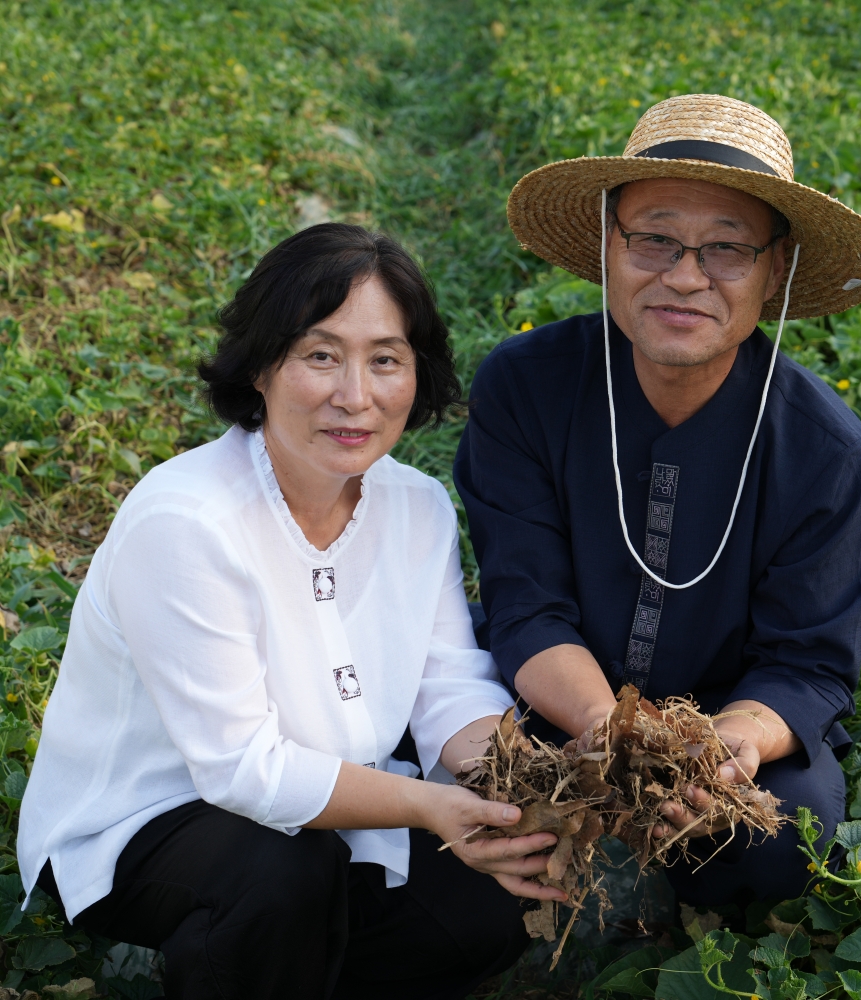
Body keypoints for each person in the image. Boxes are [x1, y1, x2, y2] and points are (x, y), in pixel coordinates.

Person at [18, 224, 568, 1000]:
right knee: (283, 873)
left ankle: (293, 964)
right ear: (261, 367)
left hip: (339, 802)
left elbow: (448, 684)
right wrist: (426, 804)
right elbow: (241, 767)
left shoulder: (417, 506)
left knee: (489, 900)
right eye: (320, 355)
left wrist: (518, 790)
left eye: (385, 359)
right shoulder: (186, 521)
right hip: (152, 817)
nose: (356, 394)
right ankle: (217, 952)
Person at [455, 94, 861, 907]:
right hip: (559, 704)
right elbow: (527, 606)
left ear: (777, 270)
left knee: (781, 840)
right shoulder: (526, 387)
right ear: (607, 243)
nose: (684, 277)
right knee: (457, 805)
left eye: (727, 248)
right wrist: (611, 737)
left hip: (728, 733)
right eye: (653, 238)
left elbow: (807, 661)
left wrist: (729, 746)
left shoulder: (826, 452)